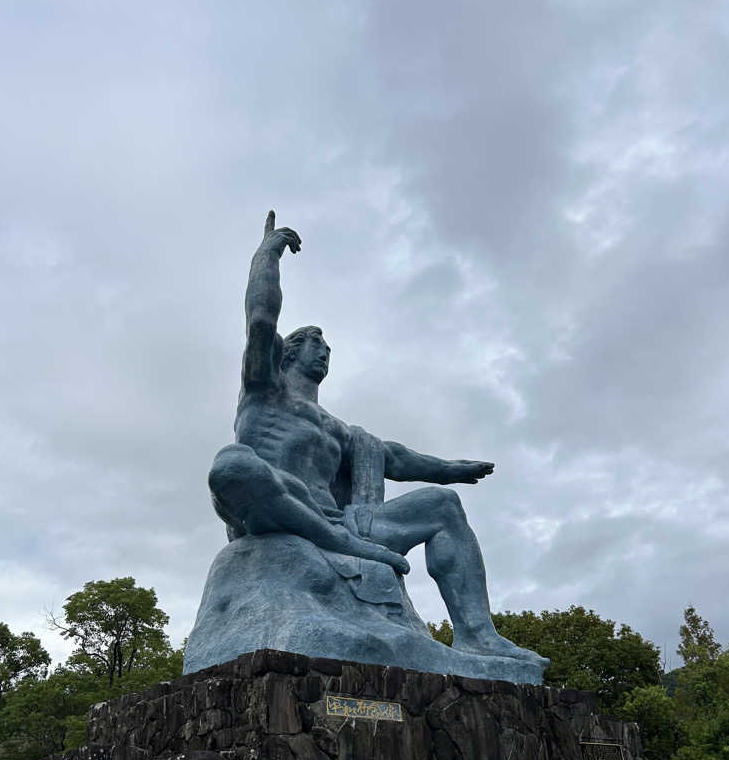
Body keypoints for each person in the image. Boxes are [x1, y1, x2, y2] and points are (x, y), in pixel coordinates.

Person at [209, 211, 533, 659]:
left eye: (329, 349)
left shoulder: (340, 430)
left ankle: (478, 634)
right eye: (315, 345)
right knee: (232, 464)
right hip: (274, 512)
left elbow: (395, 458)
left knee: (442, 506)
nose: (324, 352)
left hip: (344, 523)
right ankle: (335, 543)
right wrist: (267, 253)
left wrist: (452, 471)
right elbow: (261, 319)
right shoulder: (265, 392)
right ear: (290, 353)